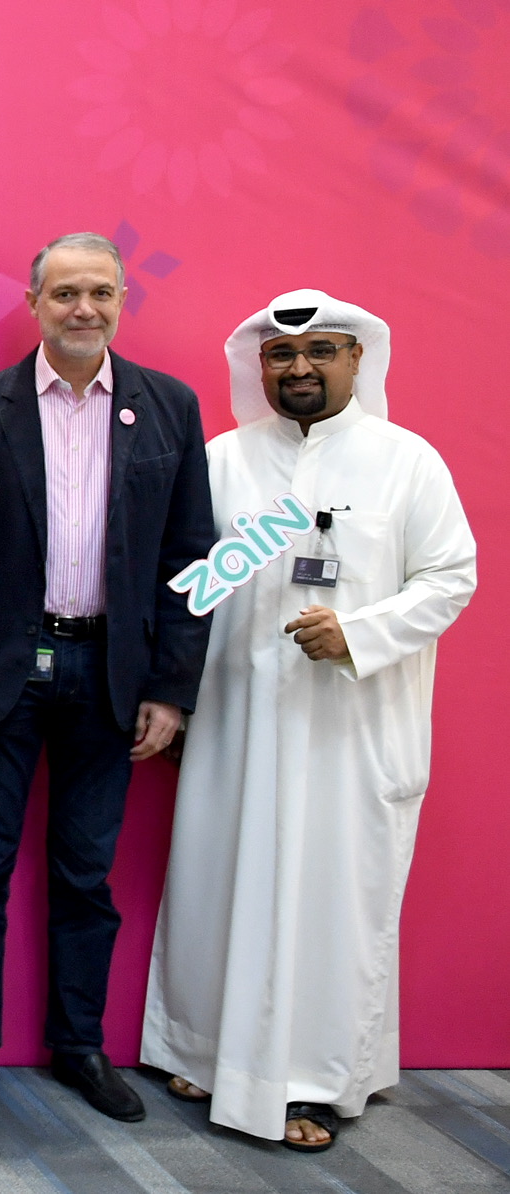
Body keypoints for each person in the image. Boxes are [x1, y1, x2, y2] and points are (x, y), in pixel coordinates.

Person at [142, 290, 476, 1153]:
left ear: (356, 359)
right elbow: (181, 585)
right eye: (280, 355)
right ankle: (205, 1052)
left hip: (348, 732)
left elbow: (449, 577)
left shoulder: (406, 462)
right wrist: (172, 697)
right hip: (236, 726)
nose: (298, 368)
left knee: (332, 904)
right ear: (258, 367)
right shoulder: (222, 460)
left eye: (320, 351)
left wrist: (357, 633)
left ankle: (317, 1079)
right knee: (219, 883)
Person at [0, 233, 216, 1121]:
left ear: (121, 299)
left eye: (99, 293)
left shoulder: (169, 407)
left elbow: (189, 559)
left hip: (113, 674)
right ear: (33, 303)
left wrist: (171, 689)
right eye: (64, 294)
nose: (82, 309)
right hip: (1, 671)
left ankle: (79, 1045)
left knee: (86, 871)